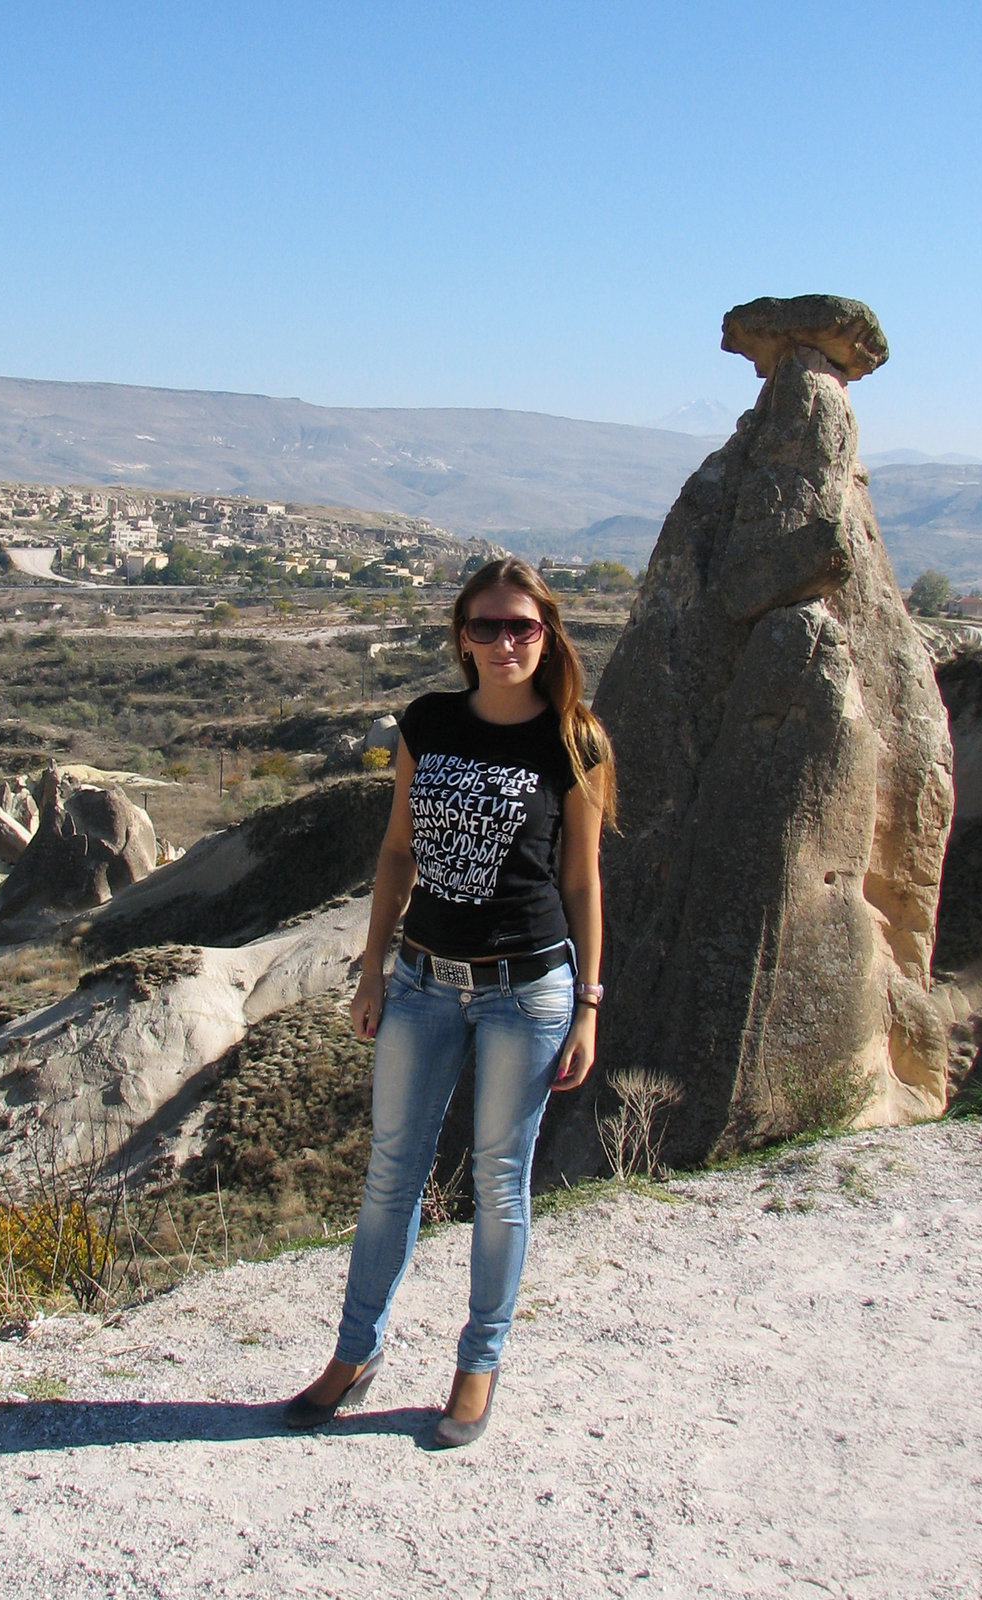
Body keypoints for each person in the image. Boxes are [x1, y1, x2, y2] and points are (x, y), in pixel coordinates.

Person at [283, 556, 616, 1447]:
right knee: (390, 1174)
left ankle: (479, 1364)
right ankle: (353, 1356)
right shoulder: (427, 721)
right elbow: (398, 852)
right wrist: (371, 971)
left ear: (546, 635)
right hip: (424, 982)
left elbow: (582, 882)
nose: (504, 642)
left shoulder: (575, 740)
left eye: (521, 627)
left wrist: (588, 1004)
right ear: (461, 636)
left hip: (526, 992)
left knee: (499, 1185)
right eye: (485, 626)